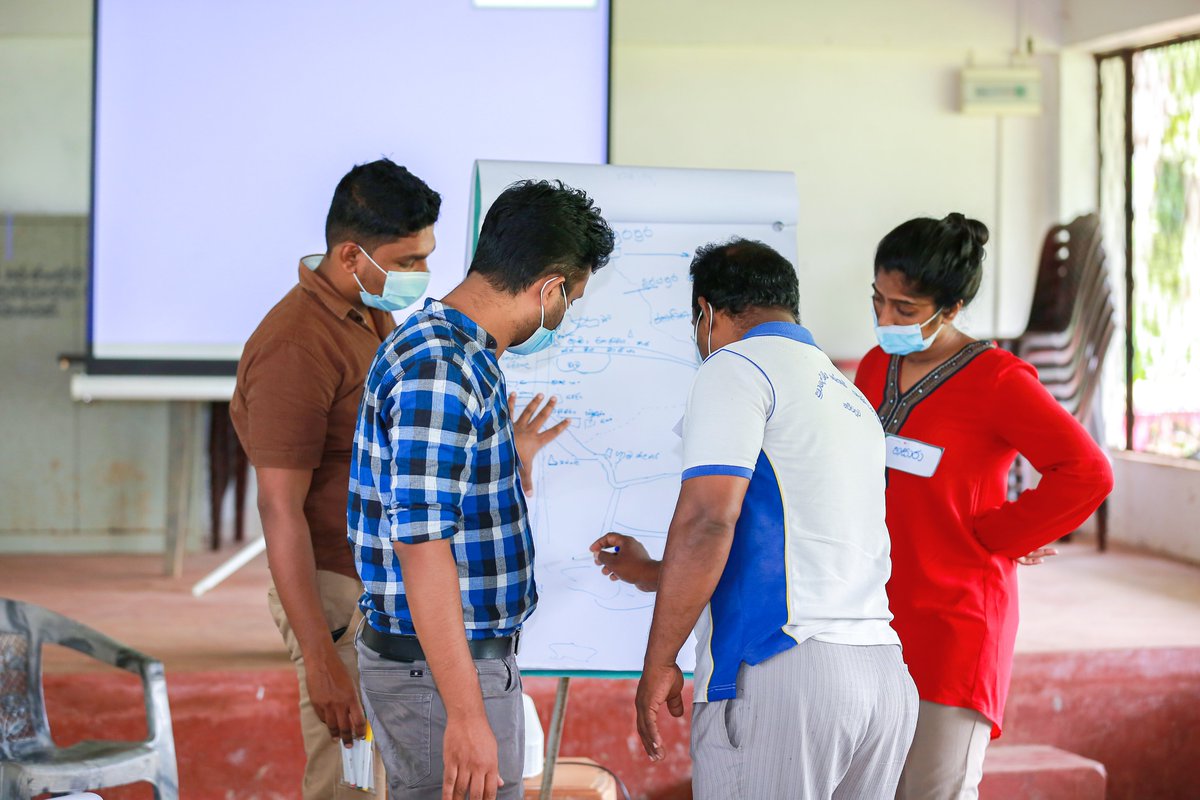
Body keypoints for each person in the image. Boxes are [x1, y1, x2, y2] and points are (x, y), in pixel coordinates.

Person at [231, 160, 566, 799]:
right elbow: (279, 509)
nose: (421, 275)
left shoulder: (376, 318)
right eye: (407, 259)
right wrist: (322, 659)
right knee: (348, 787)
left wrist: (499, 449)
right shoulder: (295, 345)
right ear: (352, 256)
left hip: (396, 599)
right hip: (338, 595)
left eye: (426, 257)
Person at [592, 239, 917, 800]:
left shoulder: (735, 366)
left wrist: (659, 661)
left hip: (786, 673)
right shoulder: (848, 396)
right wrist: (651, 572)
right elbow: (792, 548)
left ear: (706, 313)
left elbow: (708, 521)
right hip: (880, 677)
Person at [349, 179, 615, 800]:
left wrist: (505, 462)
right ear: (548, 286)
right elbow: (421, 546)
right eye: (569, 299)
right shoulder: (441, 369)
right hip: (440, 675)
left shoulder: (463, 354)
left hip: (449, 667)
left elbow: (437, 507)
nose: (563, 317)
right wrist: (466, 715)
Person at [854, 213, 1113, 800]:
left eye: (905, 307)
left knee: (932, 792)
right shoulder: (874, 367)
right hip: (875, 615)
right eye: (878, 300)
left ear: (953, 305)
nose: (884, 319)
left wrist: (1005, 533)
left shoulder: (998, 379)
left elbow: (1087, 472)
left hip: (956, 622)